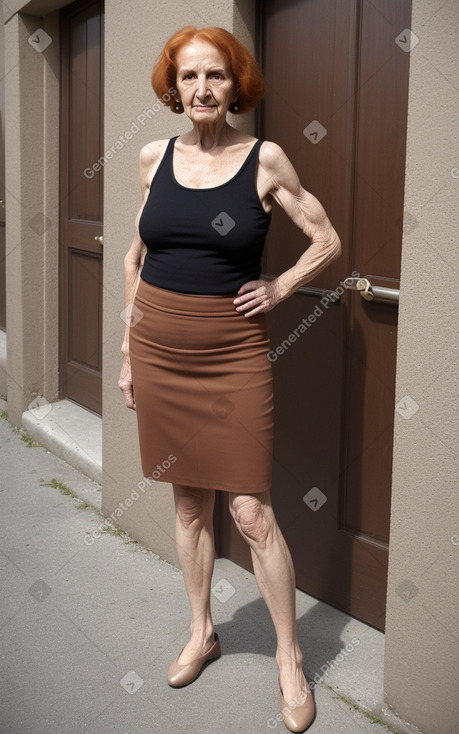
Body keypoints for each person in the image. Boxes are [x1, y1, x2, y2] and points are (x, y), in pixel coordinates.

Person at [119, 25, 341, 733]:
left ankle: (288, 658)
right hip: (158, 351)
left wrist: (280, 287)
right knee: (188, 507)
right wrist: (129, 351)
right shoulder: (154, 158)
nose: (201, 89)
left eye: (214, 76)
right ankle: (201, 631)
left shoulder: (264, 159)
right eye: (188, 77)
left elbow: (326, 239)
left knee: (249, 512)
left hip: (233, 356)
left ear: (234, 84)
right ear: (173, 86)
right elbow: (135, 260)